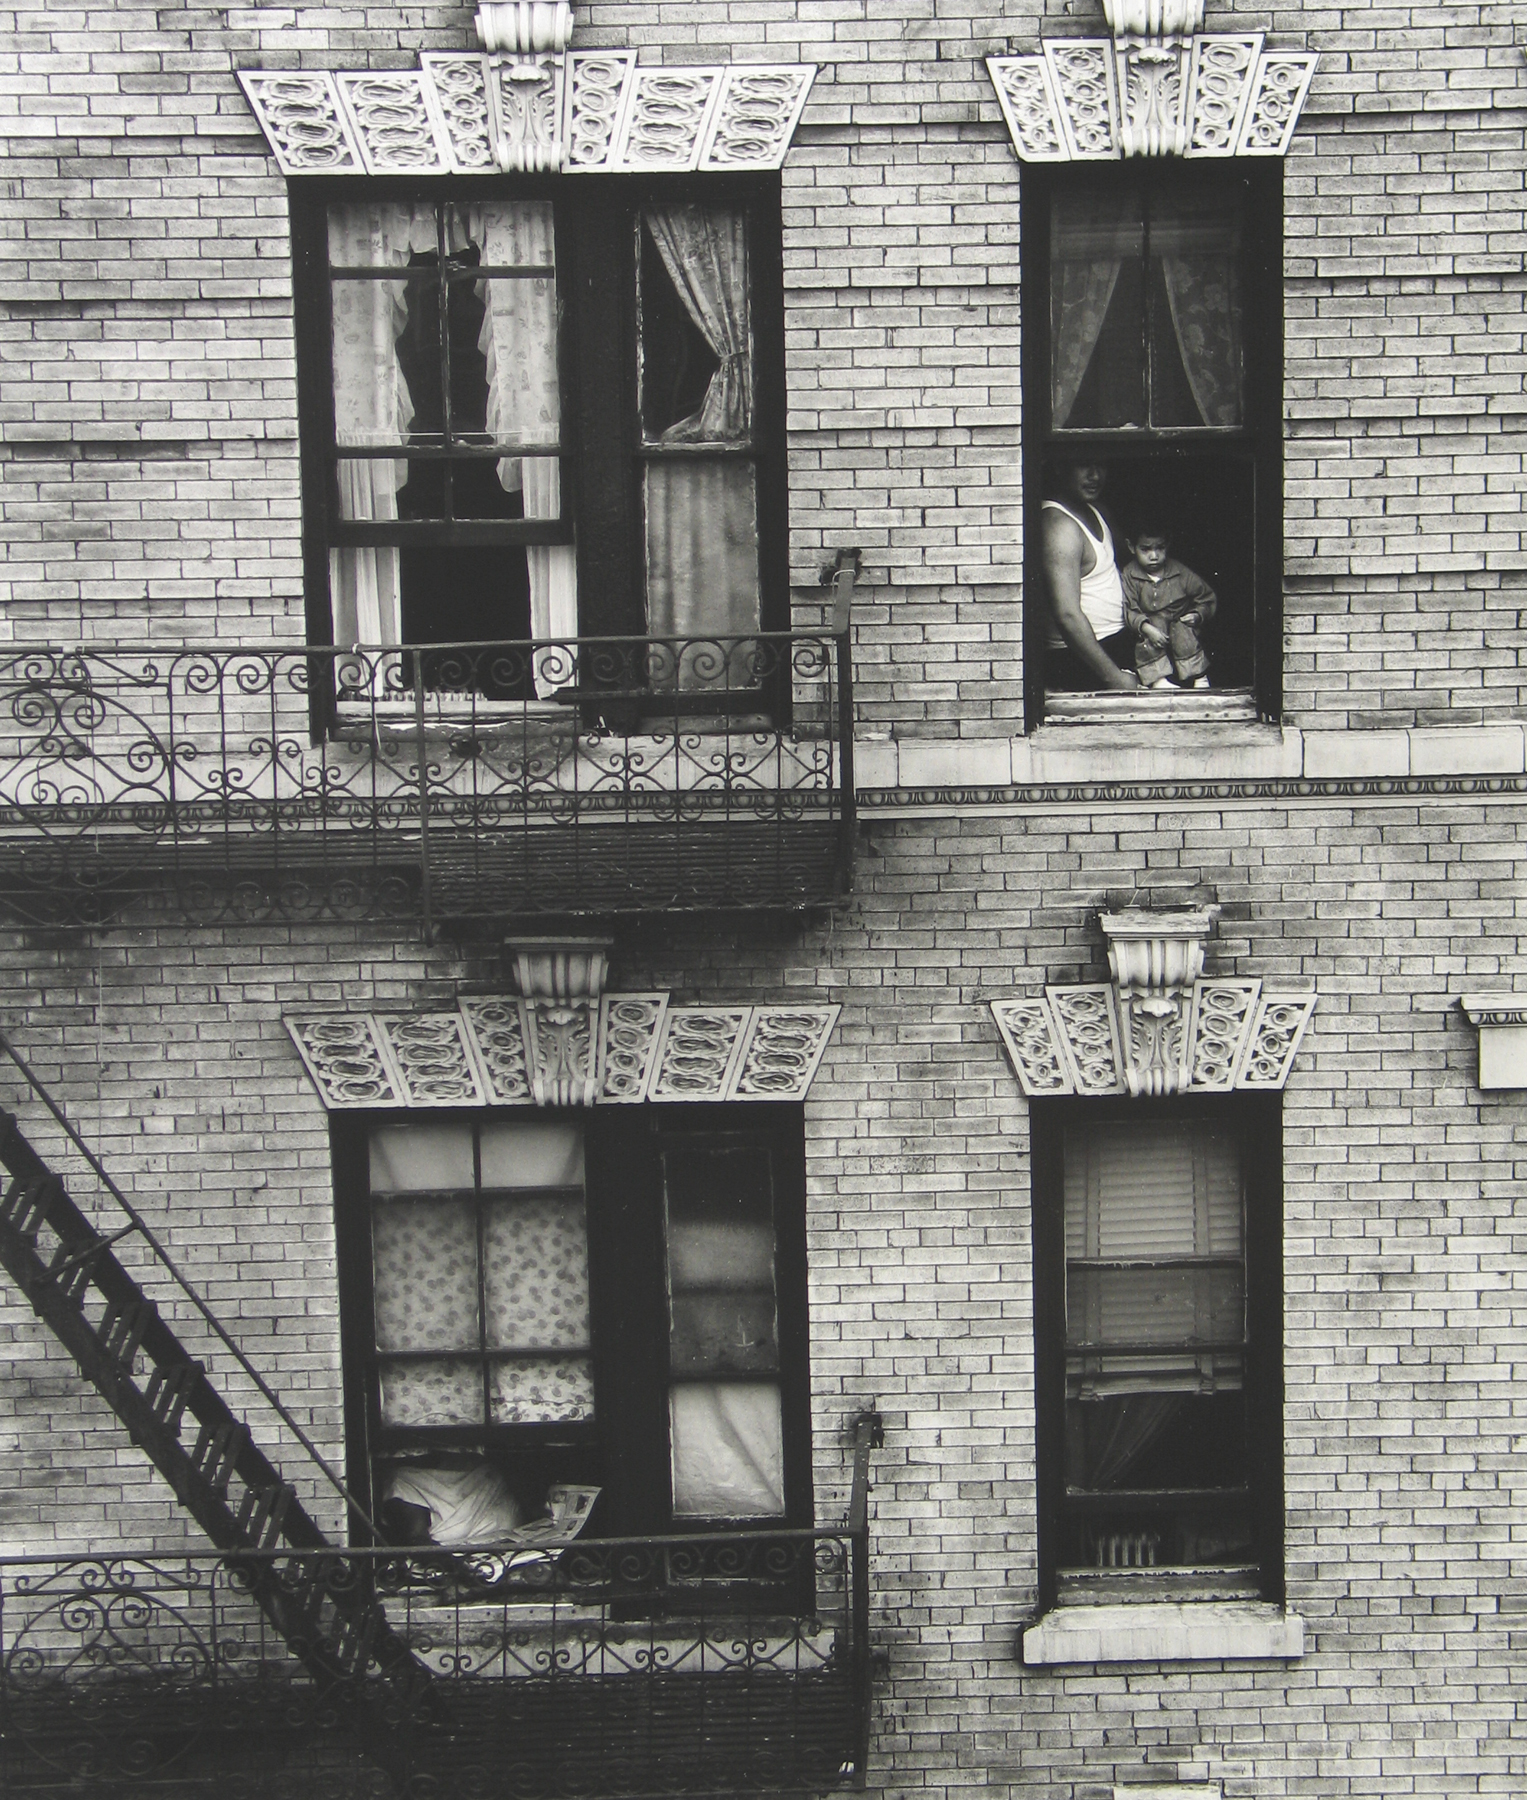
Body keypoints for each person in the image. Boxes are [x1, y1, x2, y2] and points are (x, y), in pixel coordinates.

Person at [1041, 462, 1138, 691]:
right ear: (1060, 467)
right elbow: (1067, 615)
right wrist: (1114, 678)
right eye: (1083, 464)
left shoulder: (1096, 510)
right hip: (1083, 660)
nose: (1095, 475)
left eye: (1102, 464)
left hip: (1115, 644)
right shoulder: (1058, 526)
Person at [1120, 526, 1217, 689]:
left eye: (1160, 548)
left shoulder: (1179, 571)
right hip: (1150, 623)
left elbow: (1206, 597)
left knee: (1184, 632)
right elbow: (1129, 608)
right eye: (1145, 549)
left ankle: (1199, 675)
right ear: (1131, 547)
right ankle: (1158, 679)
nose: (1154, 556)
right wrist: (1145, 627)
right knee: (1149, 635)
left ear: (1168, 545)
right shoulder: (1130, 574)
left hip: (1178, 619)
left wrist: (1197, 614)